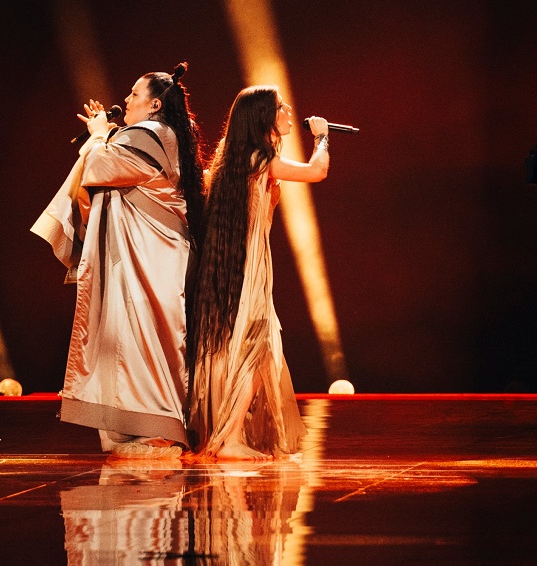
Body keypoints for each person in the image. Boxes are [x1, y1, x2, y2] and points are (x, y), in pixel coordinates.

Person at [31, 63, 205, 458]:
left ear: (156, 104)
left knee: (149, 339)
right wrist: (106, 135)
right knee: (132, 338)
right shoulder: (149, 134)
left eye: (133, 95)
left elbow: (100, 166)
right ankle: (136, 428)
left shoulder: (154, 134)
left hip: (154, 258)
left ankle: (158, 428)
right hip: (147, 256)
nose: (124, 100)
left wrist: (98, 136)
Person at [188, 85, 330, 460]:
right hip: (248, 268)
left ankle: (228, 433)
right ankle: (229, 438)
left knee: (245, 347)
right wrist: (322, 137)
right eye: (280, 106)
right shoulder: (259, 159)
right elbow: (317, 172)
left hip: (235, 265)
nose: (287, 111)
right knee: (257, 344)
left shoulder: (230, 160)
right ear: (262, 117)